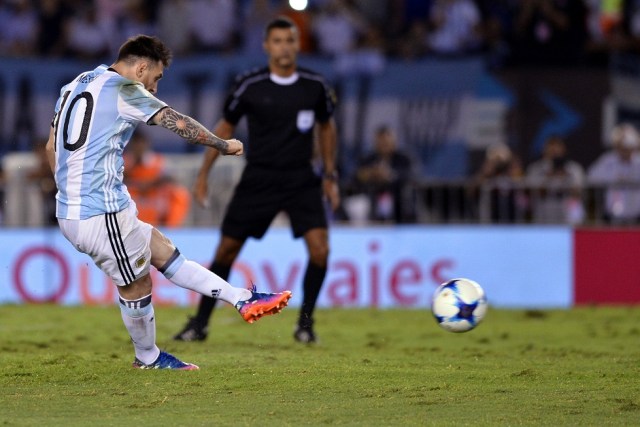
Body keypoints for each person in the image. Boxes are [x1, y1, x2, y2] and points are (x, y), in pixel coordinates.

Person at [45, 35, 292, 370]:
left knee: (161, 249)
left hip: (87, 206)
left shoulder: (77, 83)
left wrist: (69, 192)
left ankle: (241, 298)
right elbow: (175, 121)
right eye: (156, 78)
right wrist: (222, 145)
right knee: (136, 283)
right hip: (97, 211)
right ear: (142, 67)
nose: (155, 88)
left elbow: (50, 148)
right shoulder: (125, 90)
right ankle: (147, 358)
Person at [173, 17, 339, 344]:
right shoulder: (250, 84)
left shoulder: (315, 86)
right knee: (226, 249)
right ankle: (200, 323)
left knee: (320, 250)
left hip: (301, 178)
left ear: (297, 44)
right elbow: (224, 128)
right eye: (277, 41)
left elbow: (327, 127)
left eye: (290, 41)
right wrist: (204, 173)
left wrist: (330, 175)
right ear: (266, 46)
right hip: (259, 177)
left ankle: (305, 324)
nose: (284, 47)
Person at [123, 130, 191, 227]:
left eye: (140, 143)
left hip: (153, 195)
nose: (138, 147)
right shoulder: (124, 162)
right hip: (133, 196)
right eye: (135, 144)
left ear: (146, 144)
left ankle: (171, 229)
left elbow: (172, 178)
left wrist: (151, 185)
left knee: (180, 193)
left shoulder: (157, 161)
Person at [353, 126, 415, 223]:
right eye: (381, 142)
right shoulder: (368, 159)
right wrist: (370, 174)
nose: (384, 145)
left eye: (386, 142)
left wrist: (389, 175)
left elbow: (410, 175)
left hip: (398, 200)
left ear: (394, 142)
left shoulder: (403, 158)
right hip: (371, 200)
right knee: (357, 204)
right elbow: (356, 176)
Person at [587, 122, 640, 224]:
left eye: (628, 145)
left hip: (636, 215)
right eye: (622, 145)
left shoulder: (638, 162)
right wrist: (613, 178)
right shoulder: (607, 161)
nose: (626, 150)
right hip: (613, 216)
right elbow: (591, 178)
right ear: (617, 145)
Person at [525, 135, 585, 224]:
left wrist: (566, 177)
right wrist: (548, 177)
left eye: (558, 147)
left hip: (567, 210)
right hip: (544, 210)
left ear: (564, 149)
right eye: (551, 147)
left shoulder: (573, 168)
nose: (554, 151)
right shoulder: (536, 168)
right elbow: (531, 190)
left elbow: (579, 191)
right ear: (544, 149)